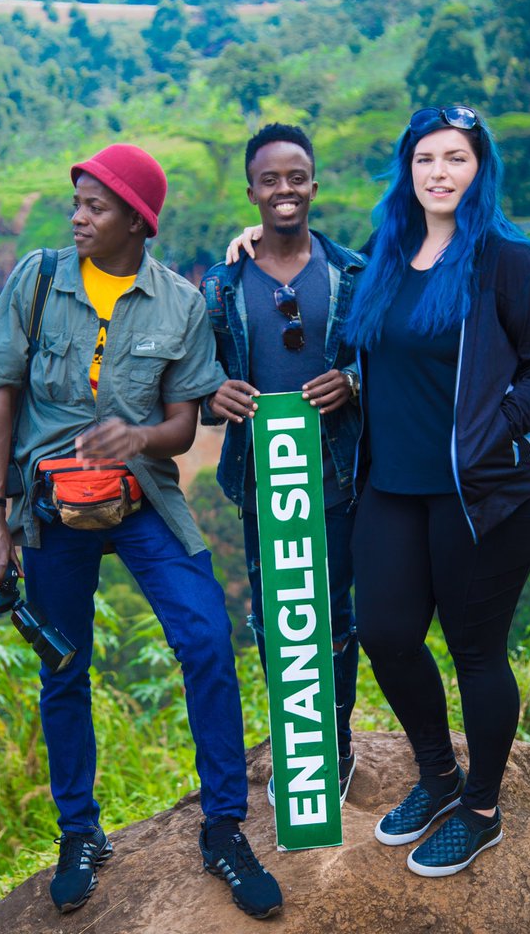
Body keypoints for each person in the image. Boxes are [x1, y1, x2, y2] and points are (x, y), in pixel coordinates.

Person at [0, 144, 283, 919]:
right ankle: (81, 833)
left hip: (144, 500)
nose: (78, 216)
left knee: (206, 638)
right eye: (76, 201)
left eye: (96, 206)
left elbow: (183, 424)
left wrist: (135, 439)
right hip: (49, 505)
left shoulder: (179, 302)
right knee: (63, 665)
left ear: (136, 221)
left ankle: (223, 829)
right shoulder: (38, 280)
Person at [343, 105, 530, 877]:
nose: (439, 173)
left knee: (476, 649)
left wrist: (491, 428)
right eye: (425, 160)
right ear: (406, 171)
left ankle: (481, 810)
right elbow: (350, 321)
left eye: (456, 159)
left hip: (486, 491)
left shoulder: (510, 261)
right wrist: (248, 249)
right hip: (395, 484)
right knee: (384, 631)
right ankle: (438, 776)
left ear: (481, 171)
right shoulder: (388, 251)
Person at [200, 123, 366, 804]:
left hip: (342, 475)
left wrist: (354, 381)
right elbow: (192, 378)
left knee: (335, 617)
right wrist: (213, 389)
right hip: (262, 480)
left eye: (296, 176)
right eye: (270, 179)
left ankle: (338, 742)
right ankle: (300, 749)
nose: (284, 189)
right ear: (251, 191)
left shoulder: (355, 274)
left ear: (314, 185)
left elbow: (395, 357)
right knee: (276, 617)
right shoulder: (222, 284)